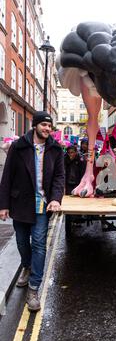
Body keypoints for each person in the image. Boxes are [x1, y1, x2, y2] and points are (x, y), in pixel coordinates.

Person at [0, 111, 65, 312]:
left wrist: (55, 199)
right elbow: (7, 176)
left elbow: (59, 177)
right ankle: (26, 266)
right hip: (20, 203)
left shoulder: (55, 149)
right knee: (21, 241)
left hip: (42, 206)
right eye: (44, 125)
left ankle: (34, 288)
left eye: (50, 126)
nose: (47, 129)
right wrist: (3, 205)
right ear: (35, 125)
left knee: (38, 243)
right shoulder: (18, 147)